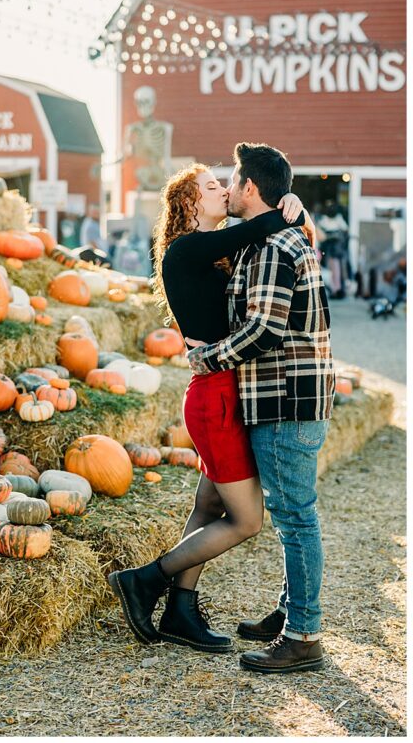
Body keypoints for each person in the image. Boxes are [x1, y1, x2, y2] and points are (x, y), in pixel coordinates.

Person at [108, 163, 309, 655]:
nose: (224, 190)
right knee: (246, 521)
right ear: (189, 203)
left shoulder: (213, 256)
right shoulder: (186, 249)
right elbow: (263, 223)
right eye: (213, 186)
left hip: (221, 391)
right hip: (214, 396)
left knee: (208, 505)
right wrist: (291, 208)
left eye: (225, 183)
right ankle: (144, 580)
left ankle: (181, 610)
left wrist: (294, 215)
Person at [189, 143, 334, 673]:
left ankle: (303, 636)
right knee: (292, 515)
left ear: (251, 187)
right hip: (290, 394)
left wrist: (208, 358)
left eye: (232, 179)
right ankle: (290, 610)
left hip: (284, 397)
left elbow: (265, 329)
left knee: (296, 518)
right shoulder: (270, 237)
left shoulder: (273, 243)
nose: (226, 187)